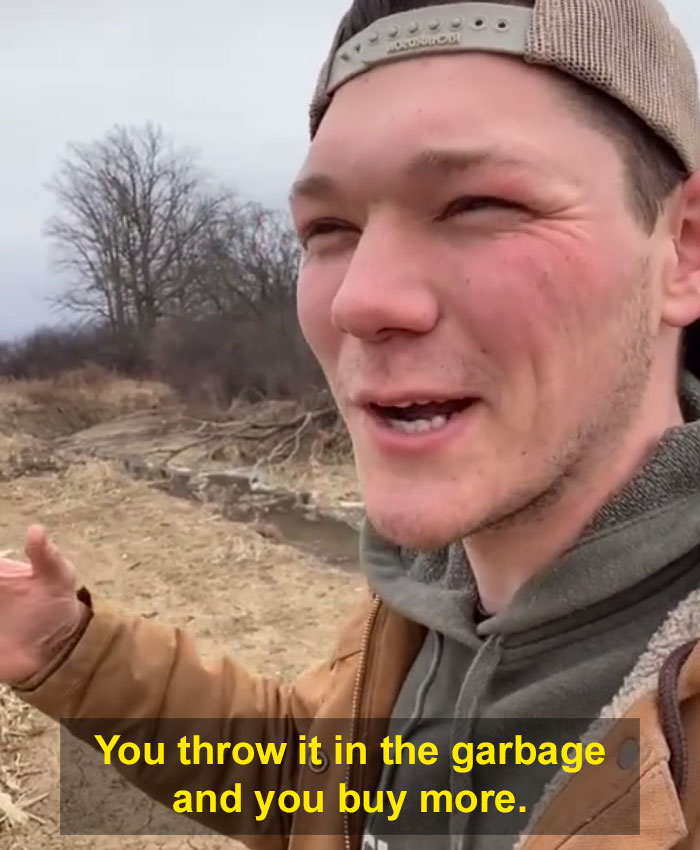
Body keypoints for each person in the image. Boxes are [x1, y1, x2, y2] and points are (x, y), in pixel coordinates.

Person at [3, 0, 700, 848]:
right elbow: (315, 785)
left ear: (684, 249)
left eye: (476, 203)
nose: (360, 299)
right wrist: (69, 647)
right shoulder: (424, 595)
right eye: (329, 229)